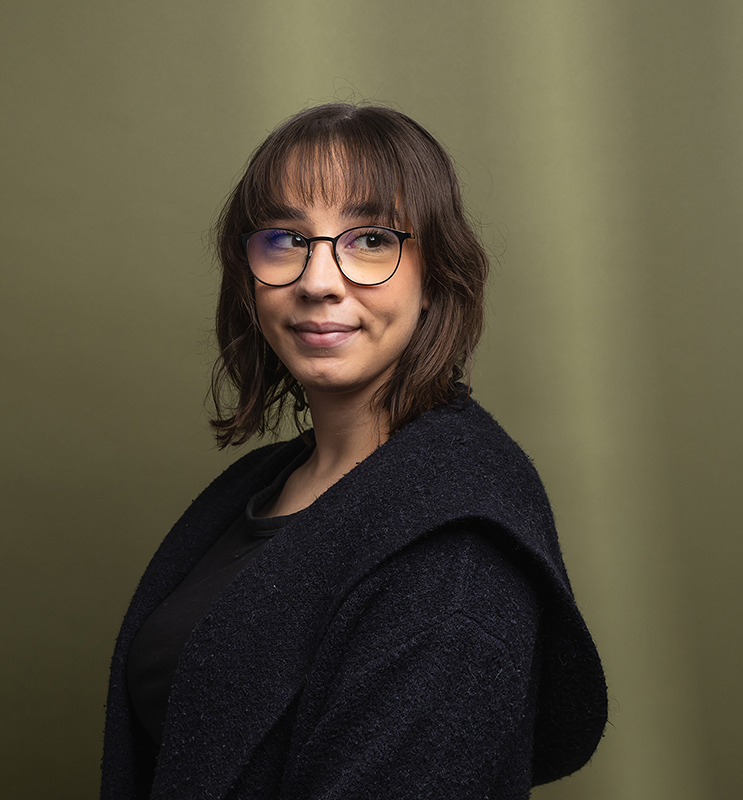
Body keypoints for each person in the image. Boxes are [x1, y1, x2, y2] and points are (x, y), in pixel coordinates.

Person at [101, 103, 607, 800]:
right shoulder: (260, 486)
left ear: (435, 275)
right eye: (284, 238)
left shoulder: (453, 547)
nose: (318, 280)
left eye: (370, 239)